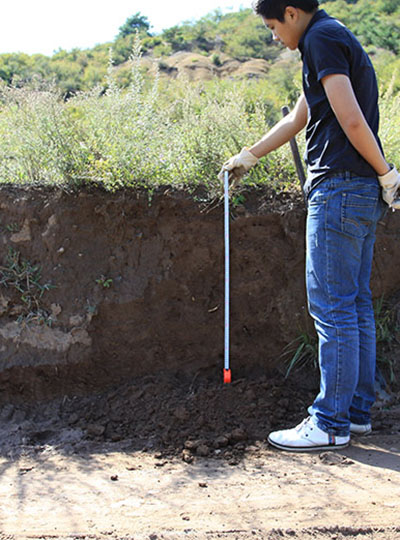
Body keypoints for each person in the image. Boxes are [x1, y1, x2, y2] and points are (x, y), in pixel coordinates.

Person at [219, 0, 400, 451]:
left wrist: (386, 171)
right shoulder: (332, 37)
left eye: (273, 26)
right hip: (358, 191)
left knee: (333, 307)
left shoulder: (319, 39)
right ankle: (355, 415)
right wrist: (251, 154)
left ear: (292, 13)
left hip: (339, 187)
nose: (274, 37)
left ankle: (330, 421)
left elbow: (350, 117)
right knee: (354, 304)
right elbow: (300, 117)